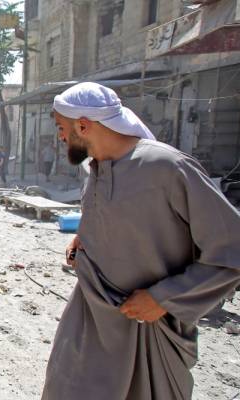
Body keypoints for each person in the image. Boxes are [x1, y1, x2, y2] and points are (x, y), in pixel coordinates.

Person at [42, 82, 240, 400]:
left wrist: (164, 298)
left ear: (83, 125)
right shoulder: (95, 170)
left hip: (148, 334)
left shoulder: (168, 168)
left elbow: (231, 248)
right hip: (89, 323)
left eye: (62, 128)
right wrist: (84, 240)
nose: (61, 137)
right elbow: (119, 219)